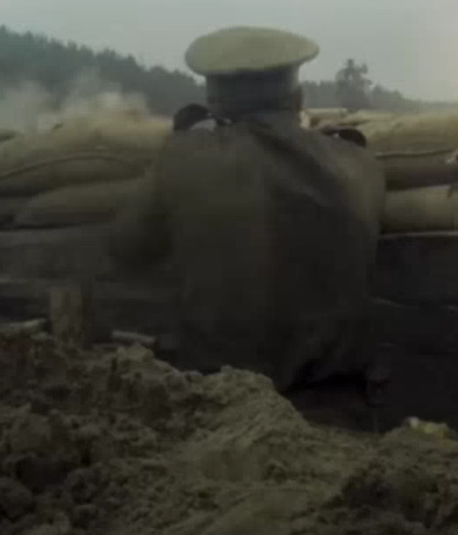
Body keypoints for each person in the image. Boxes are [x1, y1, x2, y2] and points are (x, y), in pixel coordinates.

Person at [108, 26, 386, 393]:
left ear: (215, 103)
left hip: (224, 403)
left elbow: (126, 249)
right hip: (339, 406)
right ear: (299, 98)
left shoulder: (183, 159)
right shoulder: (360, 165)